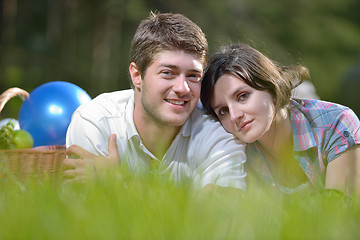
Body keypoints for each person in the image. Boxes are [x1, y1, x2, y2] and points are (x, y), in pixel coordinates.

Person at [63, 12, 246, 191]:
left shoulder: (216, 134)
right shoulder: (96, 121)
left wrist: (118, 182)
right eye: (168, 73)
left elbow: (224, 213)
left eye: (193, 76)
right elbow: (87, 215)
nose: (183, 88)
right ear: (136, 75)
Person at [200, 43, 360, 195]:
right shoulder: (235, 150)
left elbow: (341, 213)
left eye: (243, 96)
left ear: (271, 87)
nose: (235, 115)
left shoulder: (335, 123)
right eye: (223, 111)